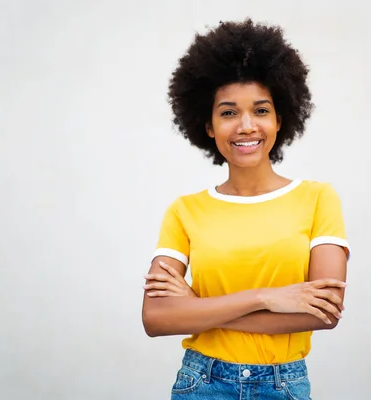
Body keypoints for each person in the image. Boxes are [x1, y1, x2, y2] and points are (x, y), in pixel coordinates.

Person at [141, 19, 350, 400]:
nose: (246, 126)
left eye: (260, 110)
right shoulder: (185, 211)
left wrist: (197, 307)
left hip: (282, 384)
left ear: (280, 119)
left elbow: (326, 311)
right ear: (207, 125)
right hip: (201, 383)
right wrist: (265, 298)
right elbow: (156, 319)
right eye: (228, 112)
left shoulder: (318, 198)